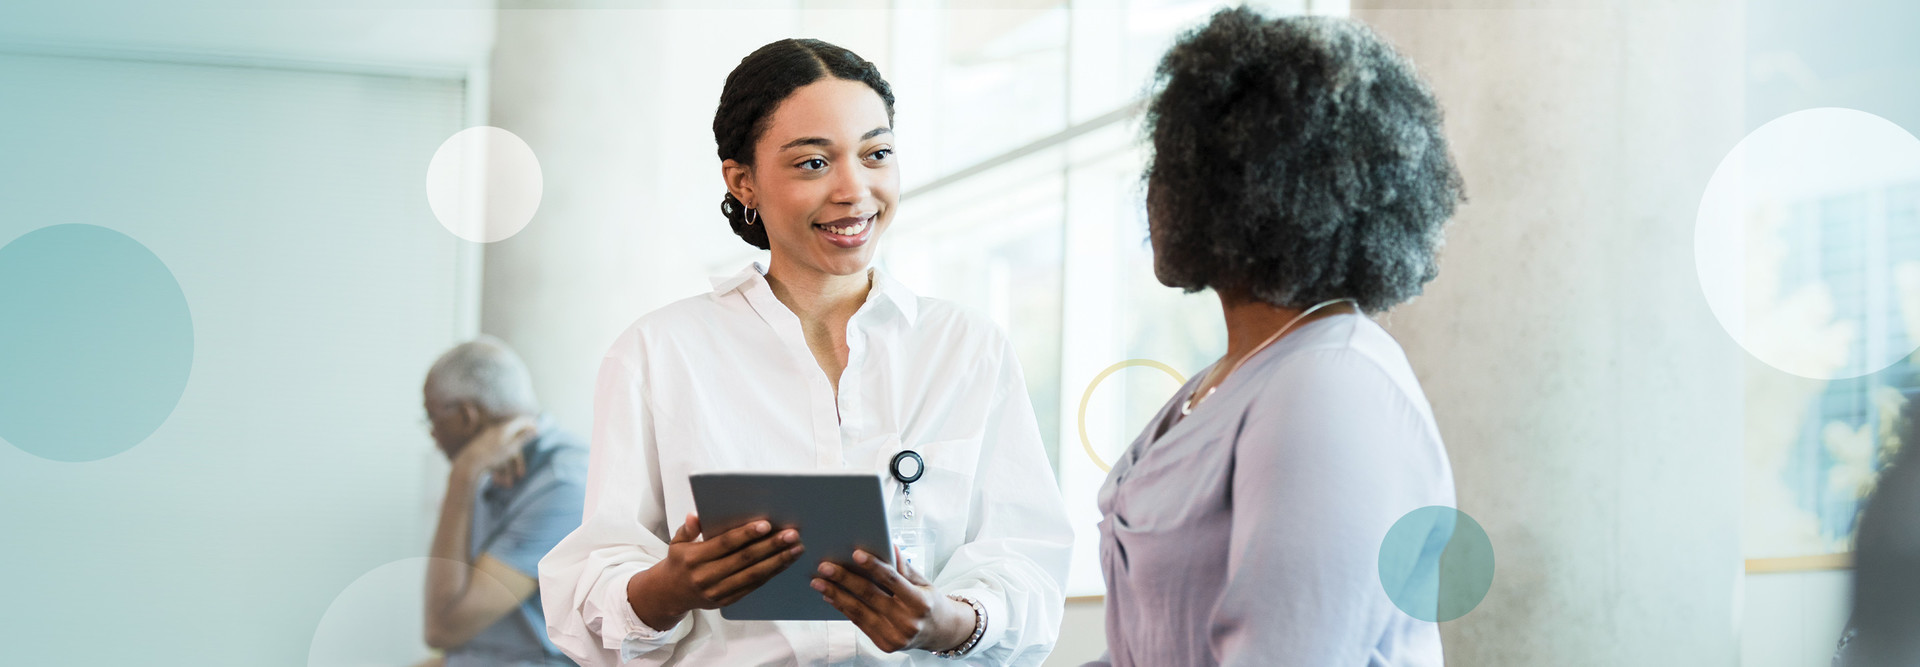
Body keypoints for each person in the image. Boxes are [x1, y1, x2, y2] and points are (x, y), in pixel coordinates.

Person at [537, 38, 1073, 666]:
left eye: (877, 154)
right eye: (813, 164)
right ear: (744, 182)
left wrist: (947, 621)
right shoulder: (657, 354)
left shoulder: (966, 349)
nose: (854, 190)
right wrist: (669, 589)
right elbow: (588, 596)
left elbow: (1029, 568)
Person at [1089, 9, 1465, 667]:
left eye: (1173, 163)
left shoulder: (1329, 385)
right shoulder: (1226, 381)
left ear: (1255, 187)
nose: (1150, 191)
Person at [421, 336, 588, 667]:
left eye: (432, 418)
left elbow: (444, 627)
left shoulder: (563, 482)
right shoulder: (489, 463)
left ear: (468, 416)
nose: (431, 434)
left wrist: (461, 478)